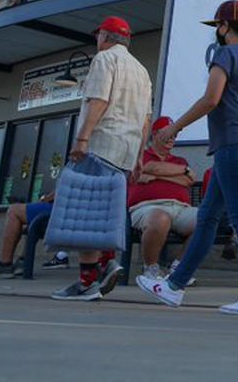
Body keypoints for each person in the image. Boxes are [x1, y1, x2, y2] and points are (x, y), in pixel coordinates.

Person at [138, 0, 238, 316]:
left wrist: (172, 129)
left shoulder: (225, 54)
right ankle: (174, 287)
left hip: (233, 145)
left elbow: (211, 99)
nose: (217, 32)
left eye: (218, 27)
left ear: (225, 27)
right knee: (208, 216)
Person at [51, 16, 153, 302]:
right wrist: (139, 156)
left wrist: (82, 138)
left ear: (105, 36)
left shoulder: (104, 60)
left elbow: (99, 99)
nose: (97, 41)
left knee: (86, 216)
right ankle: (108, 262)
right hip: (126, 152)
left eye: (99, 36)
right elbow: (146, 118)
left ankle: (87, 282)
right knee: (106, 213)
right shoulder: (142, 71)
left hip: (101, 144)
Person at [128, 116, 198, 280]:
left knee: (208, 219)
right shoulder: (140, 156)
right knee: (160, 218)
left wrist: (157, 176)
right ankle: (151, 268)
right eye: (168, 133)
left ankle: (179, 269)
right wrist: (181, 172)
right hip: (147, 207)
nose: (172, 137)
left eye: (175, 134)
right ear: (154, 134)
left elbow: (189, 180)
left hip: (181, 209)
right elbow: (151, 166)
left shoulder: (180, 161)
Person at [0, 192, 61, 277]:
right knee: (28, 216)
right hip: (66, 214)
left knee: (14, 210)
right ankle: (23, 261)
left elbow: (64, 190)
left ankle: (5, 265)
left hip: (59, 213)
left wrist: (46, 198)